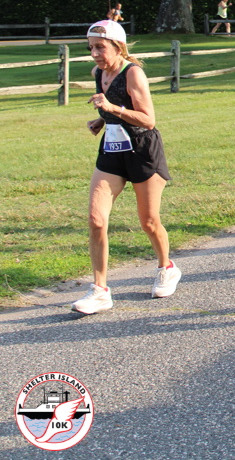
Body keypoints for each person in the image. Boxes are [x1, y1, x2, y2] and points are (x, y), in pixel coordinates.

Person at [71, 20, 181, 314]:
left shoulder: (133, 73)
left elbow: (148, 119)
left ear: (118, 47)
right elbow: (115, 108)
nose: (94, 54)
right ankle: (100, 291)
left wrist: (110, 109)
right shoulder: (98, 72)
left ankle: (167, 267)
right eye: (91, 48)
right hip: (112, 150)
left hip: (143, 150)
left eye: (100, 47)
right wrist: (103, 120)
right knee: (96, 219)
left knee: (149, 221)